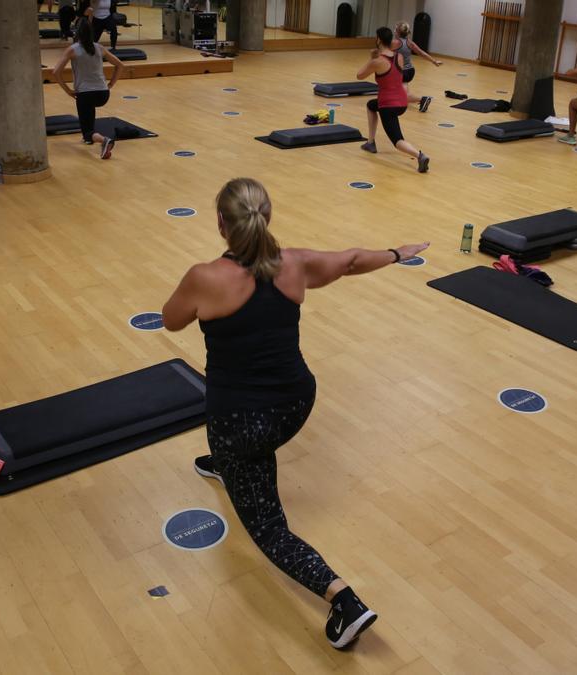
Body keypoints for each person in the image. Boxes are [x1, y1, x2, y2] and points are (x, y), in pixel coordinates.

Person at [161, 177, 428, 649]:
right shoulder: (295, 264)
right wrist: (396, 253)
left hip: (239, 423)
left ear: (222, 224)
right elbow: (348, 260)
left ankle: (343, 602)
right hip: (296, 403)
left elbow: (171, 319)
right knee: (240, 452)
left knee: (265, 526)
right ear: (268, 216)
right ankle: (227, 465)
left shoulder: (206, 276)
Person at [358, 27, 430, 173]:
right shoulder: (399, 57)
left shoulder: (377, 62)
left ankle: (420, 155)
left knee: (397, 141)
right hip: (402, 102)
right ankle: (370, 142)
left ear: (378, 39)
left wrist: (372, 59)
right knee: (371, 105)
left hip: (388, 105)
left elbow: (359, 75)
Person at [51, 19, 123, 158]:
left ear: (76, 32)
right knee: (89, 113)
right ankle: (91, 139)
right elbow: (120, 65)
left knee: (88, 131)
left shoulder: (73, 49)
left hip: (85, 94)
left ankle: (104, 140)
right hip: (103, 94)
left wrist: (68, 90)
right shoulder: (99, 47)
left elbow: (56, 72)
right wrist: (110, 85)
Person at [391, 22, 442, 113]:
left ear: (397, 32)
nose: (394, 31)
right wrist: (434, 61)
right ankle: (400, 99)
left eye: (395, 29)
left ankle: (422, 99)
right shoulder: (409, 42)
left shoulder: (395, 42)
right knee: (402, 90)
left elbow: (383, 51)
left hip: (401, 72)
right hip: (410, 70)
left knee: (403, 96)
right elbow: (421, 53)